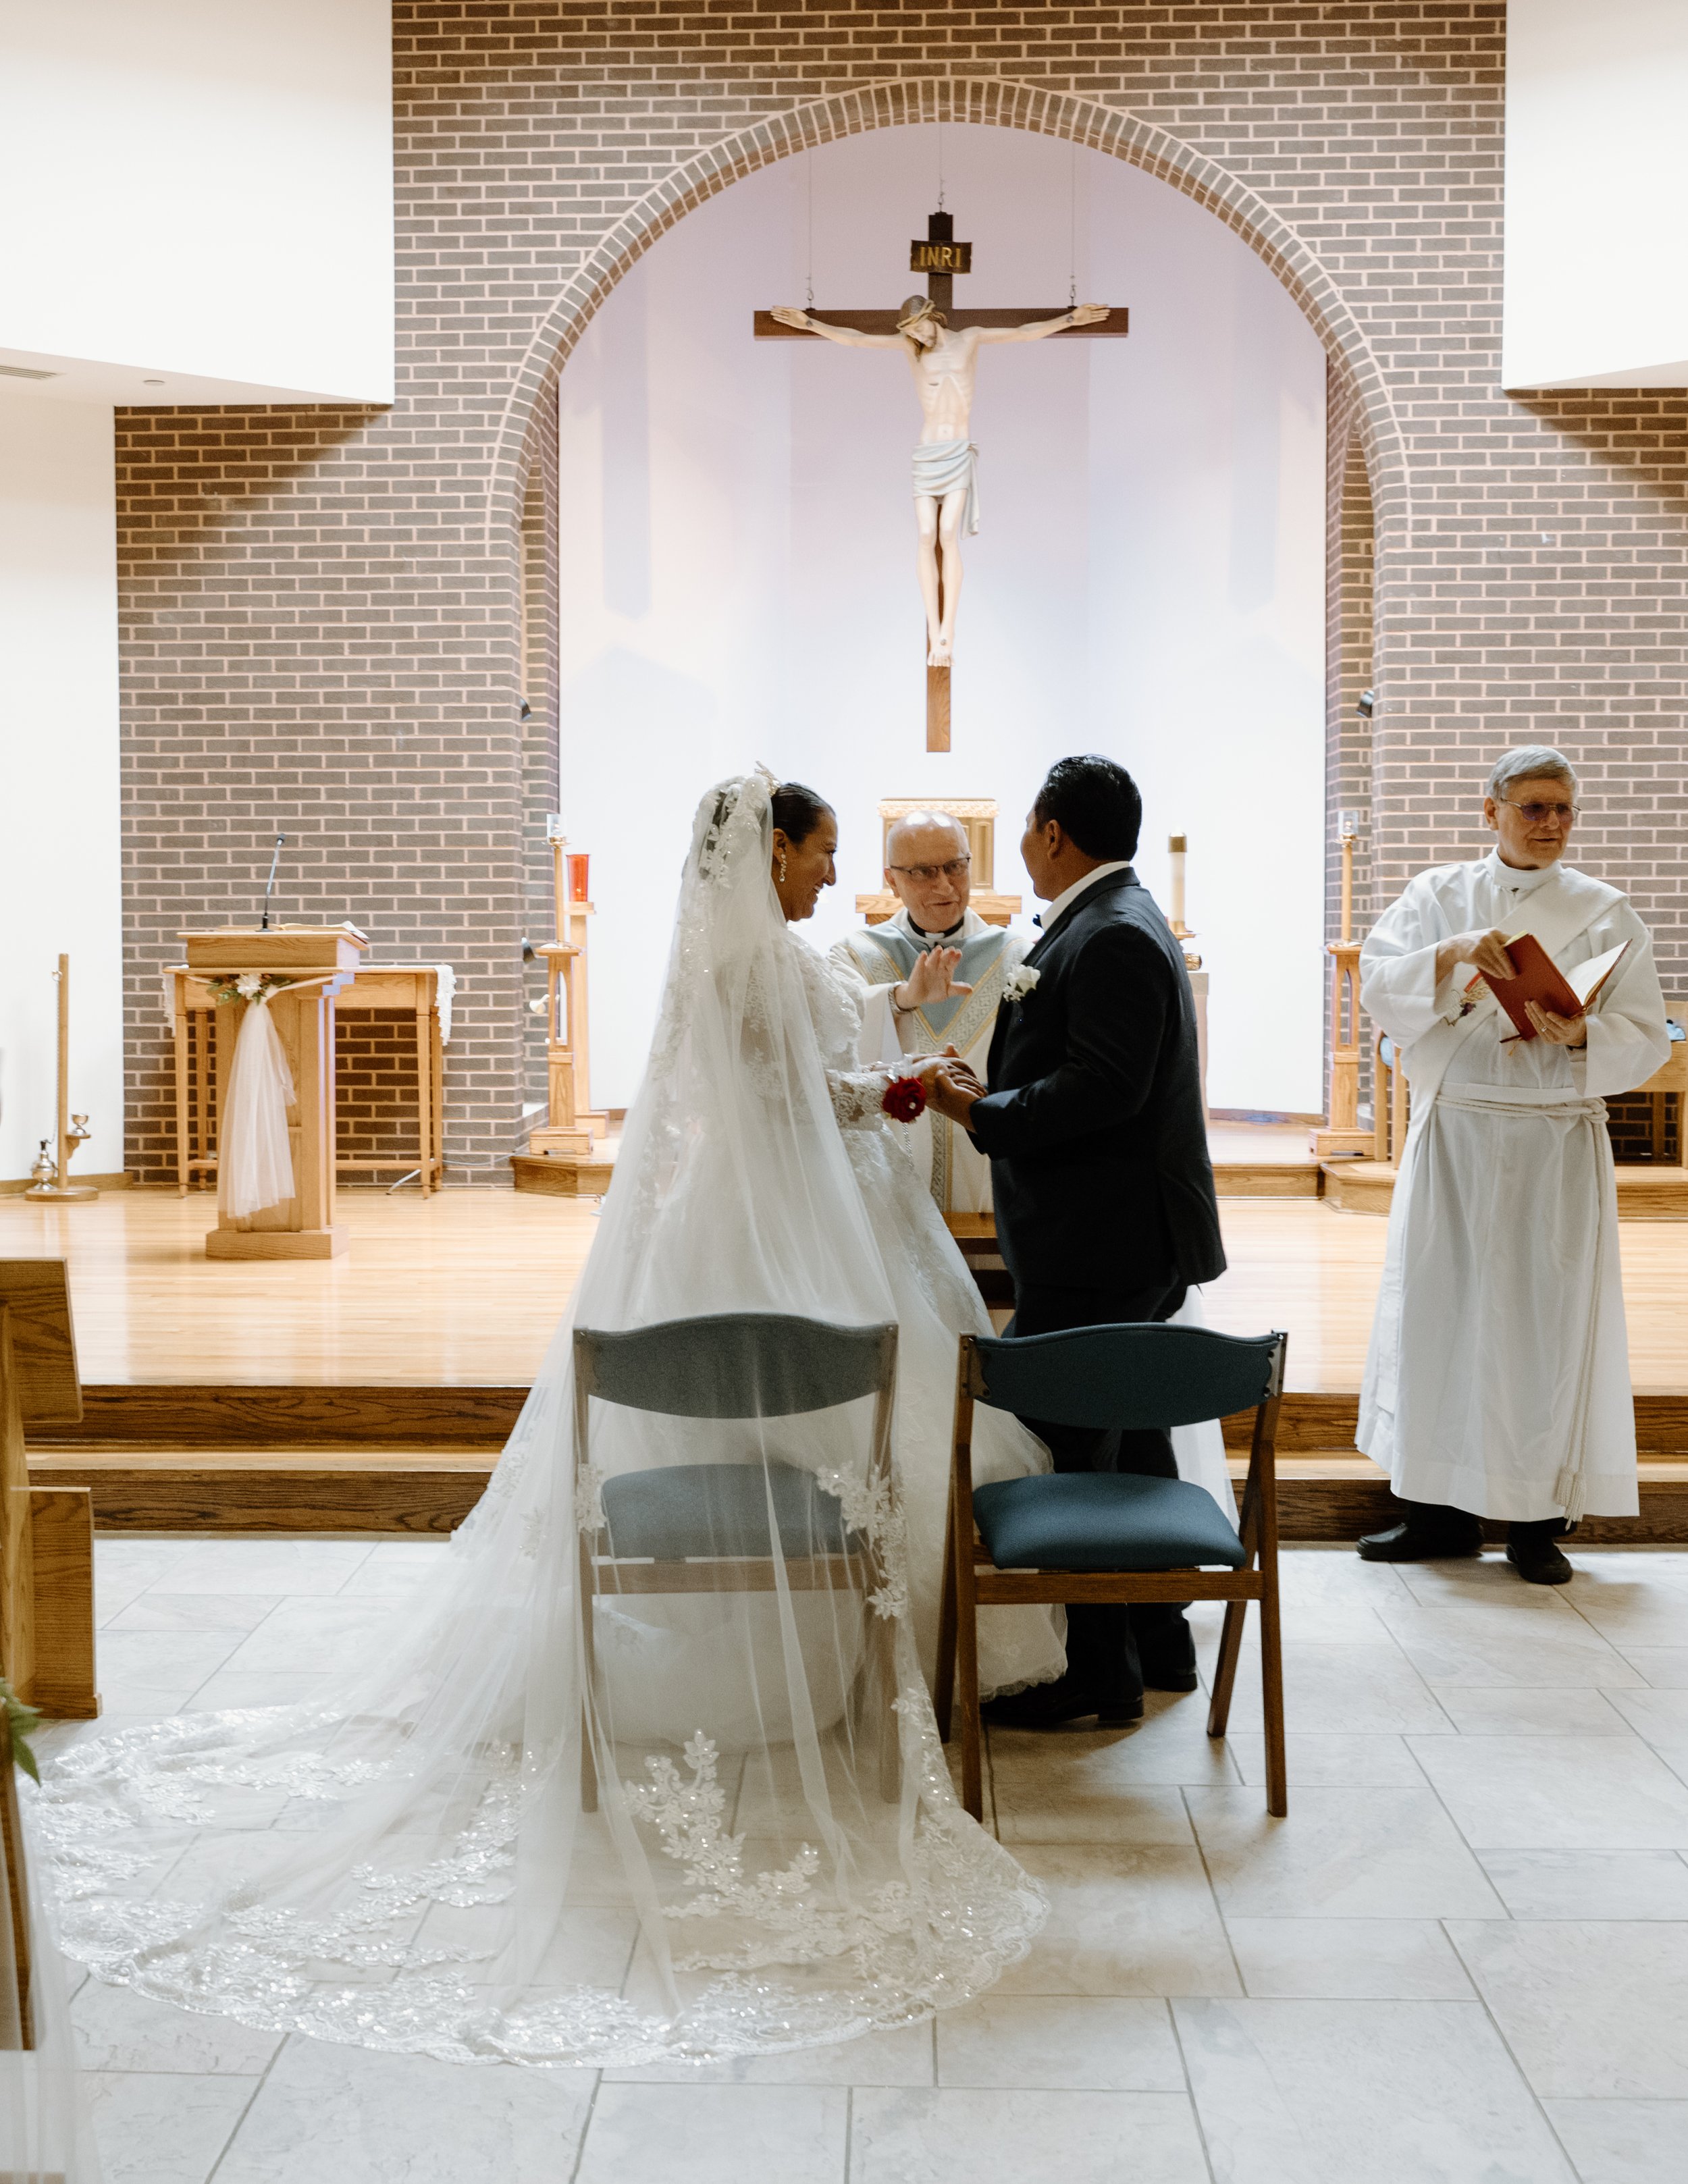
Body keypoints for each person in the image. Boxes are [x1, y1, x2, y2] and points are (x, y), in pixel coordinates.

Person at [38, 770, 1054, 2073]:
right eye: (818, 852)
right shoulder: (774, 967)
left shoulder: (738, 964)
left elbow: (763, 1093)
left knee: (723, 1418)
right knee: (838, 1409)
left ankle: (777, 1658)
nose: (826, 873)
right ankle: (833, 1673)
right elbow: (808, 1100)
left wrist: (878, 1076)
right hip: (805, 1224)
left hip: (737, 1225)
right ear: (774, 853)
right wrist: (900, 1086)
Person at [926, 753, 1228, 1725]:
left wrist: (985, 1113)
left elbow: (1106, 1087)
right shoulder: (1109, 919)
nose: (1022, 844)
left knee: (1057, 1447)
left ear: (1054, 832)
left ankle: (1095, 1674)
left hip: (1103, 1244)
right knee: (1132, 1440)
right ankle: (1159, 1638)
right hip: (1114, 1235)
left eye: (1027, 827)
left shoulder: (1112, 935)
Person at [1354, 745, 1669, 1582]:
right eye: (1533, 808)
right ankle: (1435, 1513)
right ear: (1488, 809)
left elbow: (1646, 1032)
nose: (1552, 825)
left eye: (1563, 809)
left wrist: (1587, 1035)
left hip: (1551, 1140)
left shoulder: (1606, 911)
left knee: (1542, 1328)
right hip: (1457, 1133)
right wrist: (1452, 957)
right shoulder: (1437, 895)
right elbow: (1378, 984)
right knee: (1441, 1316)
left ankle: (1535, 1523)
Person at [769, 296, 1108, 664]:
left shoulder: (971, 338)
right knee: (926, 535)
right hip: (927, 452)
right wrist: (809, 324)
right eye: (910, 331)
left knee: (948, 534)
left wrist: (1072, 319)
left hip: (958, 451)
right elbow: (857, 339)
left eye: (919, 328)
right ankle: (935, 631)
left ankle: (950, 630)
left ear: (933, 318)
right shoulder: (909, 349)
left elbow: (1023, 333)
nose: (917, 336)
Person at [828, 807, 1030, 1214]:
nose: (945, 885)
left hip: (987, 1175)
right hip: (890, 1178)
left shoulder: (1018, 959)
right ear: (892, 879)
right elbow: (835, 1042)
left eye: (955, 866)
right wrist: (901, 998)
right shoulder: (855, 955)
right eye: (922, 871)